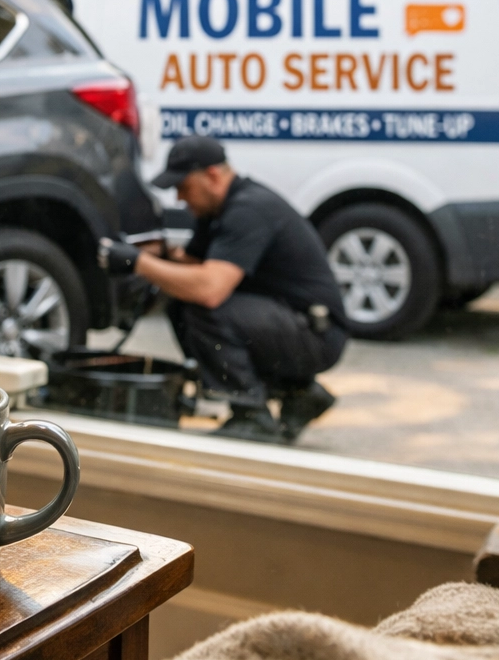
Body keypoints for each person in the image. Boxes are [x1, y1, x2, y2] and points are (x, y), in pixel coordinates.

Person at [98, 136, 347, 442]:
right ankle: (299, 394)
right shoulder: (216, 209)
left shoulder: (249, 209)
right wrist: (158, 254)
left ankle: (251, 415)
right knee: (181, 303)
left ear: (212, 176)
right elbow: (191, 266)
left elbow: (209, 290)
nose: (179, 198)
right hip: (289, 322)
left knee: (205, 310)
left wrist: (138, 263)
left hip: (316, 334)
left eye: (183, 186)